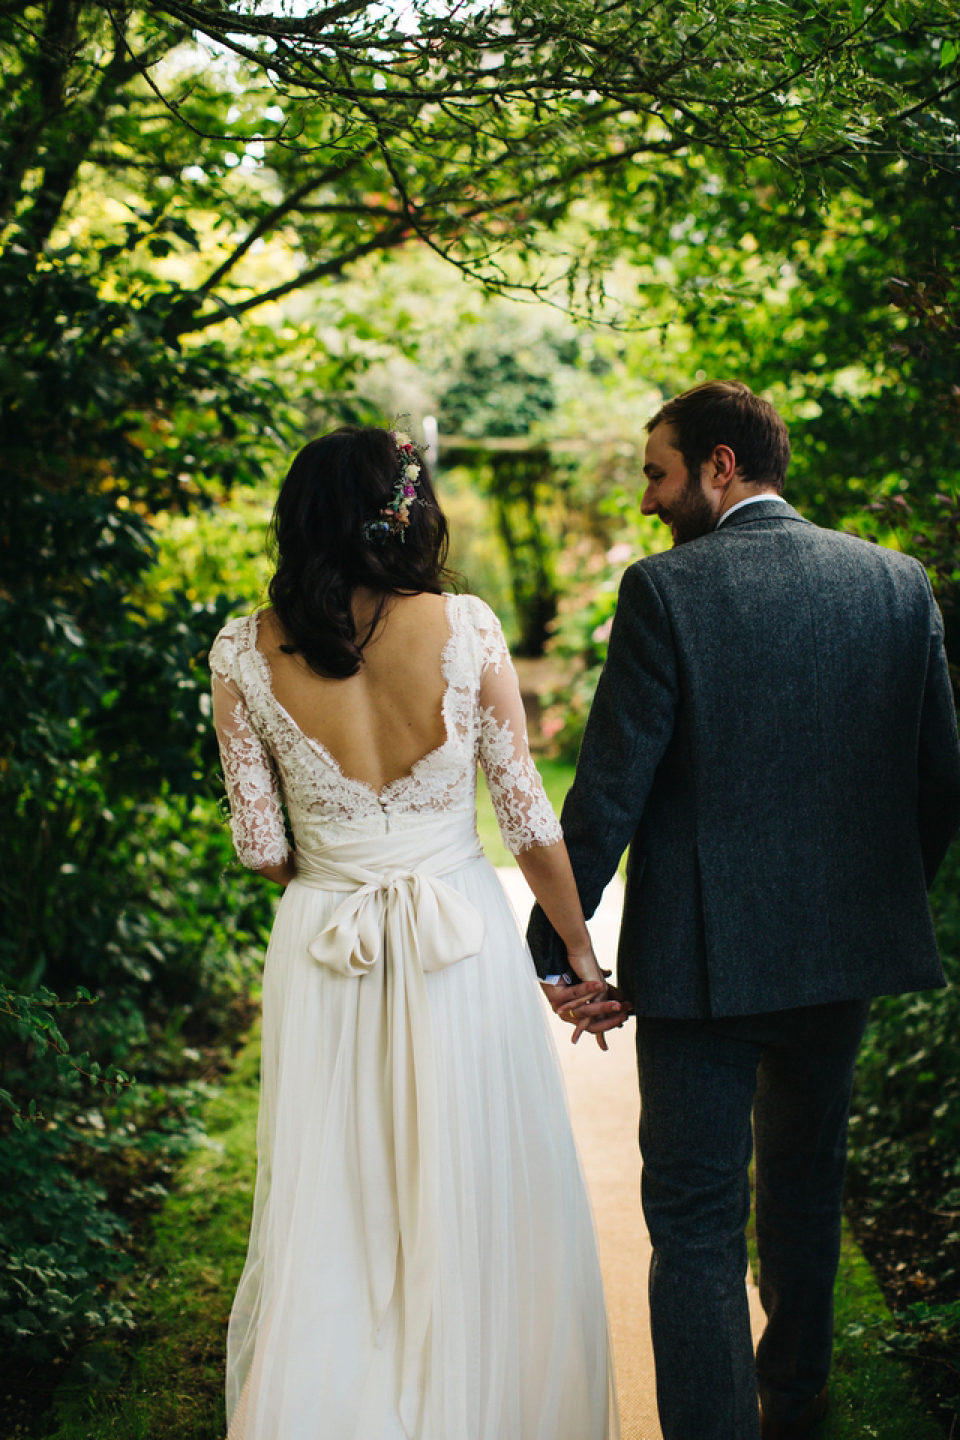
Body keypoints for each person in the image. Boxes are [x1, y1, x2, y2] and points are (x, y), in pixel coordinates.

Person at [527, 381, 960, 1440]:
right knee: (808, 1196)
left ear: (720, 465)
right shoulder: (898, 584)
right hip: (840, 960)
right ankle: (796, 1404)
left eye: (657, 473)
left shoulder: (664, 591)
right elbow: (940, 782)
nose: (646, 500)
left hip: (702, 974)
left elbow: (610, 792)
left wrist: (558, 948)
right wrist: (872, 899)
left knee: (694, 1222)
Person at [209, 425, 620, 1440]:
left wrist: (347, 865)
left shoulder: (239, 651)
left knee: (337, 1196)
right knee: (472, 1177)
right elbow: (527, 817)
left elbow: (261, 847)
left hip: (326, 944)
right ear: (406, 511)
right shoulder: (469, 627)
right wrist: (576, 951)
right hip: (460, 942)